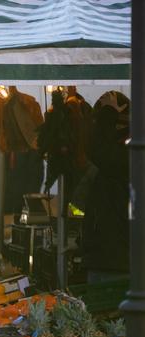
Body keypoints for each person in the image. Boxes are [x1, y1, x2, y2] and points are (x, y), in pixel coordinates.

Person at [83, 91, 130, 283]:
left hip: (116, 260)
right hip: (111, 258)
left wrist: (109, 112)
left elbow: (100, 150)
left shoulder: (128, 157)